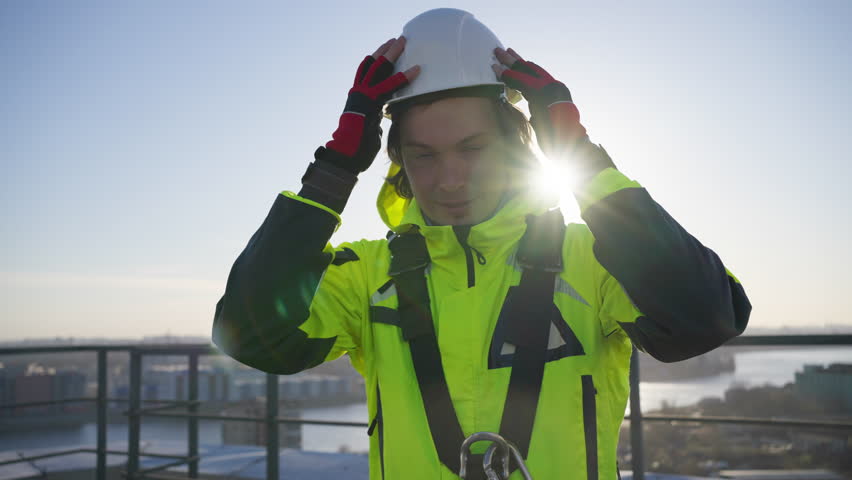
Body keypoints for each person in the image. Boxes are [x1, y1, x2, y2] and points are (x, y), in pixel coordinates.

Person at [213, 8, 751, 480]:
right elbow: (250, 334)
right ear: (398, 161)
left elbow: (704, 317)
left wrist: (582, 156)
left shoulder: (595, 260)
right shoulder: (364, 276)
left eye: (473, 148)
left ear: (517, 146)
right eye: (423, 154)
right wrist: (333, 171)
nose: (450, 180)